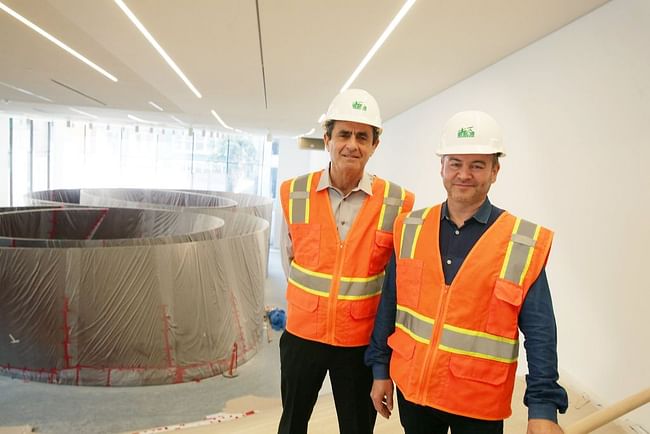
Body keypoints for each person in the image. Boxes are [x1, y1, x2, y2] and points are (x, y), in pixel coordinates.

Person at [364, 110, 568, 434]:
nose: (464, 174)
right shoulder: (410, 228)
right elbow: (390, 306)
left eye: (477, 165)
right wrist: (380, 369)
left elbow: (541, 333)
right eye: (456, 163)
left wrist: (543, 409)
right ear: (442, 166)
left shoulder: (522, 243)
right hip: (414, 392)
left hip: (478, 402)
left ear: (495, 171)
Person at [278, 88, 415, 434]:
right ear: (327, 139)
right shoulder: (294, 192)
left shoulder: (398, 202)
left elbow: (397, 281)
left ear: (374, 145)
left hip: (360, 342)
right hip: (302, 336)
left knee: (357, 428)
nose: (352, 144)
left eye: (362, 136)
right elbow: (288, 258)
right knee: (292, 422)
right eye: (343, 134)